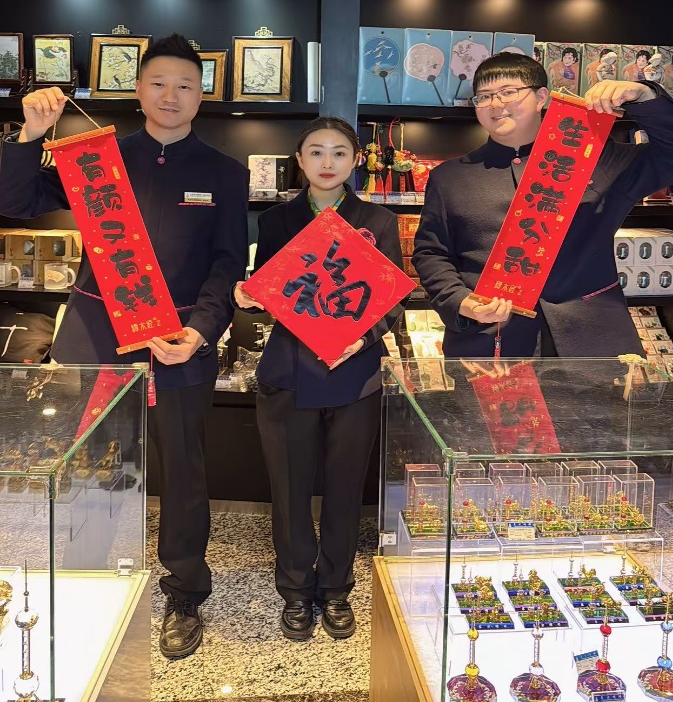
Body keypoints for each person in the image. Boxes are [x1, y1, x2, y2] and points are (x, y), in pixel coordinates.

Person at [0, 34, 249, 659]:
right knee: (91, 466)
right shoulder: (96, 158)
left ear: (201, 96)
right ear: (137, 90)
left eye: (185, 85)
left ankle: (184, 593)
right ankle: (87, 581)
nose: (171, 95)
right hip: (97, 341)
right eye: (158, 83)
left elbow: (227, 264)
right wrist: (30, 135)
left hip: (178, 343)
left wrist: (202, 332)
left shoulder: (224, 172)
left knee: (183, 471)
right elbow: (15, 201)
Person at [234, 117, 404, 642]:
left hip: (354, 374)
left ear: (355, 160)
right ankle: (294, 588)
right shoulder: (277, 220)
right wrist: (250, 296)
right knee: (288, 489)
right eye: (315, 152)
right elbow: (272, 292)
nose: (327, 163)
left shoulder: (377, 220)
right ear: (300, 160)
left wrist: (363, 338)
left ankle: (335, 587)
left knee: (345, 488)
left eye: (339, 152)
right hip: (289, 370)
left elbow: (393, 299)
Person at [413, 52, 673, 359]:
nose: (495, 104)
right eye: (484, 96)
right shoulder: (450, 177)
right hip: (490, 341)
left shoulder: (597, 158)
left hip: (593, 340)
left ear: (541, 97)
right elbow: (432, 253)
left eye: (508, 92)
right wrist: (460, 301)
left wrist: (644, 95)